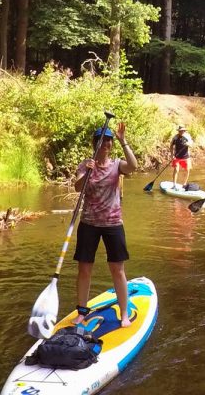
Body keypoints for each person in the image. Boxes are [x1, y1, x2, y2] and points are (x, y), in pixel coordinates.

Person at [72, 122, 138, 327]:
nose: (106, 144)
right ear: (95, 143)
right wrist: (88, 173)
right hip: (89, 223)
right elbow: (77, 187)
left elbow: (133, 167)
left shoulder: (117, 164)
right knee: (84, 269)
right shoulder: (85, 165)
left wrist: (123, 140)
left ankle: (124, 313)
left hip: (113, 223)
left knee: (117, 269)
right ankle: (82, 311)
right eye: (103, 140)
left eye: (109, 140)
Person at [170, 124, 194, 189]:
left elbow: (191, 145)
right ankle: (174, 185)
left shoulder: (187, 137)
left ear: (185, 131)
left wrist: (188, 144)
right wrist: (172, 155)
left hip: (186, 157)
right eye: (180, 131)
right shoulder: (175, 137)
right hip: (176, 157)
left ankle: (184, 184)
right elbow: (171, 146)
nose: (182, 132)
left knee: (187, 170)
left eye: (183, 131)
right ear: (178, 131)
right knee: (176, 170)